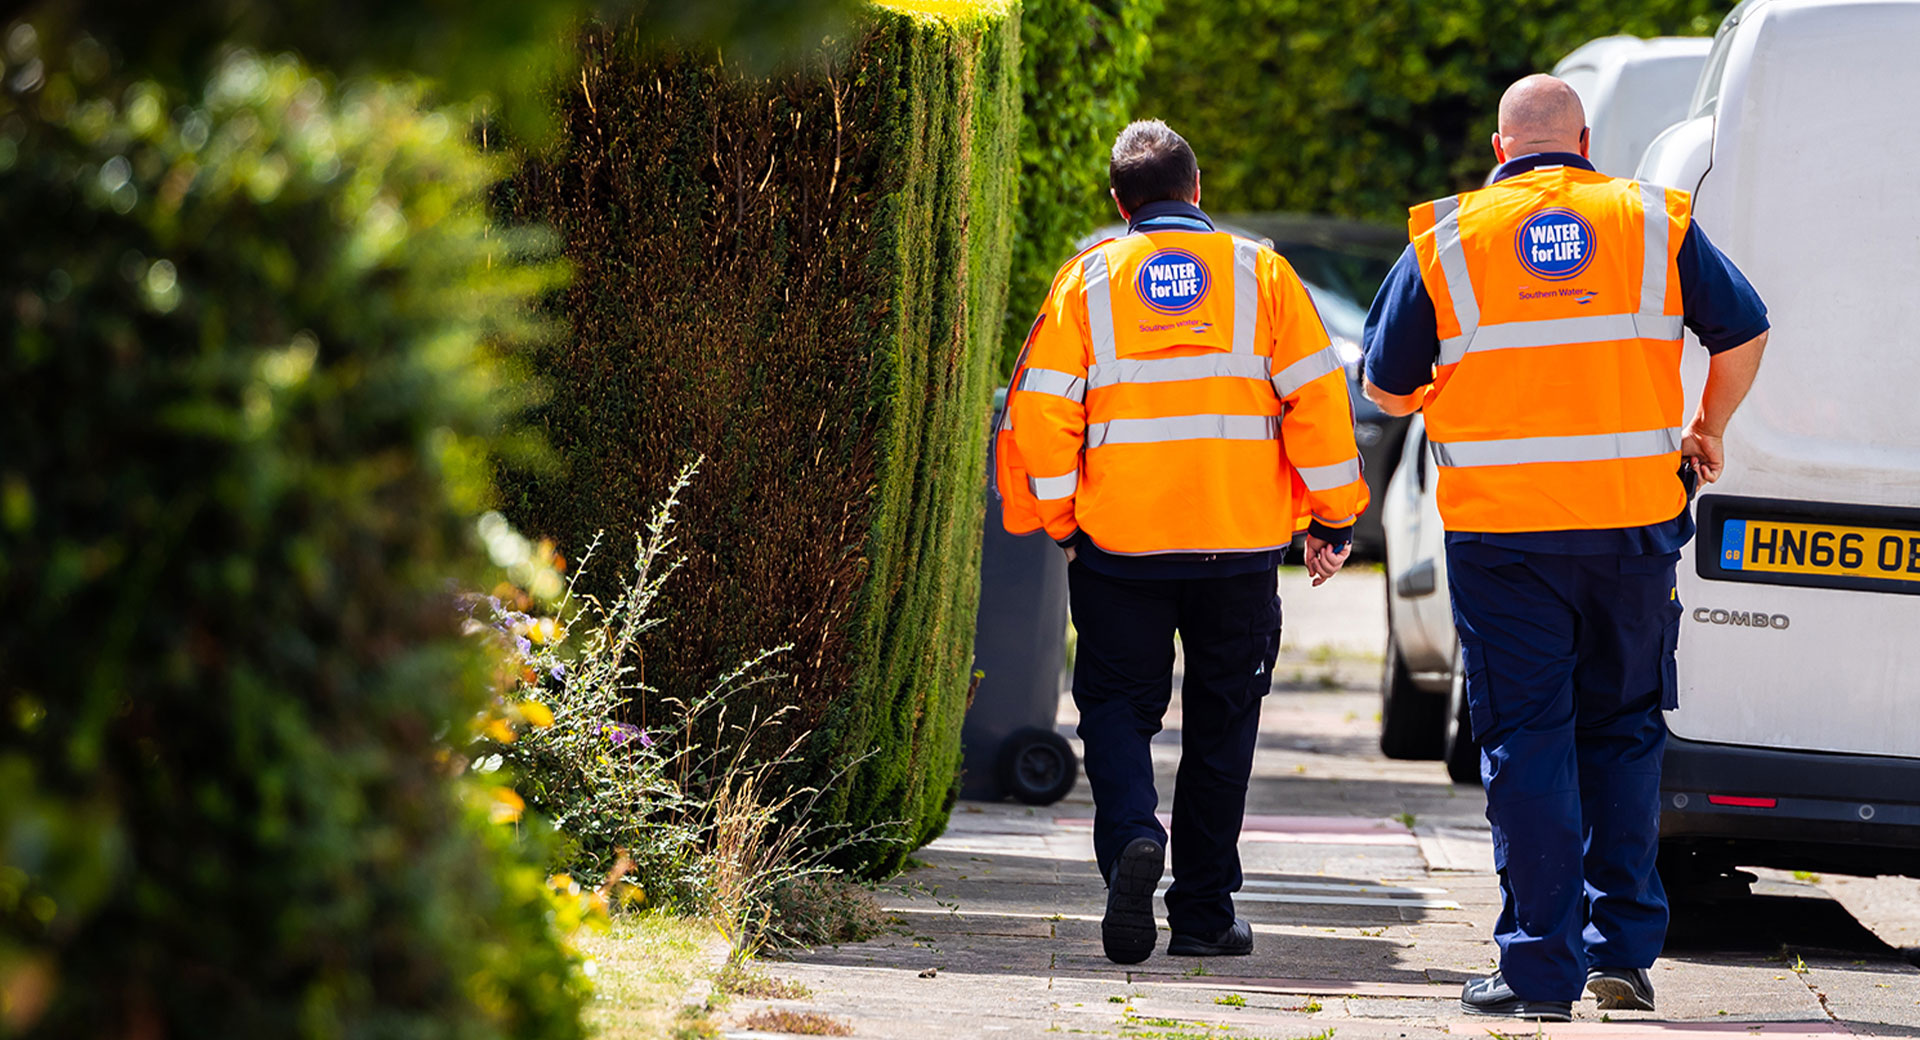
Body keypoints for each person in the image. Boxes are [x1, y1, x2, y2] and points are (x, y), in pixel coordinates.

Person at [1362, 76, 1770, 1021]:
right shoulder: (1649, 221)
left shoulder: (1449, 237)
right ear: (1583, 140)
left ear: (1501, 149)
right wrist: (1707, 426)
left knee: (1528, 740)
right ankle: (1621, 958)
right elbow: (1743, 329)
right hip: (1632, 529)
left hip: (1505, 539)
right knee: (1624, 733)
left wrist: (1452, 392)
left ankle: (1537, 972)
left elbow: (1385, 390)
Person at [994, 120, 1371, 965]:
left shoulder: (1088, 281)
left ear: (1119, 204)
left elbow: (1042, 414)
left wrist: (1063, 522)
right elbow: (1317, 399)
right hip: (1236, 549)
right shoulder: (1263, 274)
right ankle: (1203, 914)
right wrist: (1333, 518)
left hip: (1120, 549)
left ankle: (1133, 834)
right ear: (1197, 191)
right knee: (1223, 725)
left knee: (1116, 710)